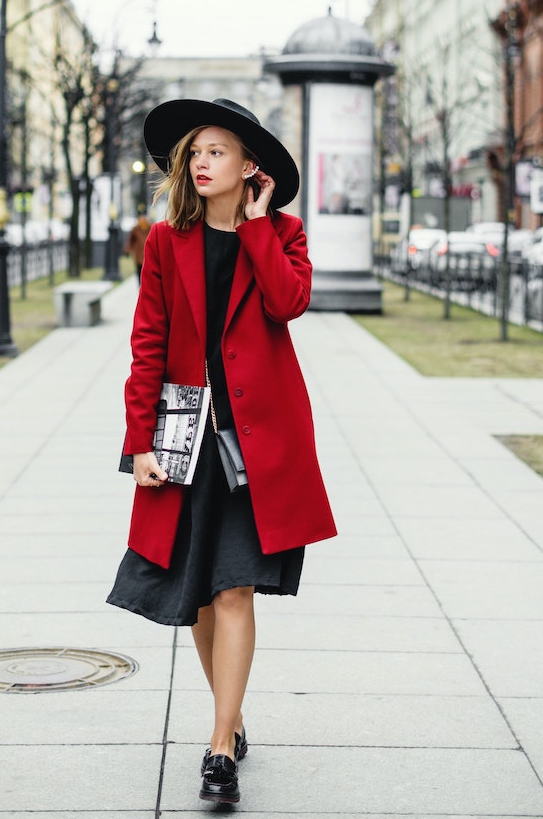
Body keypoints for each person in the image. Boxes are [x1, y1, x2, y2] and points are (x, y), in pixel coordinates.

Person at [107, 97, 337, 806]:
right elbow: (147, 341)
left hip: (257, 441)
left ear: (248, 168)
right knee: (201, 595)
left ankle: (216, 747)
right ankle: (230, 721)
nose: (201, 162)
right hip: (185, 437)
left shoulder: (283, 232)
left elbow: (286, 302)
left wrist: (260, 226)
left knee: (233, 585)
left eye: (215, 151)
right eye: (194, 152)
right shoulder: (164, 241)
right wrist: (138, 440)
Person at [124, 207, 152, 282]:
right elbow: (130, 240)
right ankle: (140, 289)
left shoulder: (151, 227)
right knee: (140, 274)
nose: (142, 219)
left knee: (148, 276)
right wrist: (127, 250)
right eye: (141, 217)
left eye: (144, 217)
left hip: (148, 256)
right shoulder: (136, 228)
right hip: (139, 256)